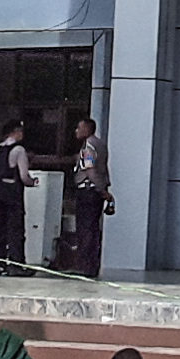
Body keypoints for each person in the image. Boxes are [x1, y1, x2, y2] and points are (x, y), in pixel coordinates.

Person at [0, 117, 36, 274]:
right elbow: (23, 175)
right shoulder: (18, 150)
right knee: (15, 228)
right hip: (12, 191)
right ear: (15, 132)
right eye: (20, 131)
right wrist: (32, 182)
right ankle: (15, 264)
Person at [66, 116, 110, 279]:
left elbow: (90, 169)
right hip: (95, 192)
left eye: (79, 127)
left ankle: (84, 265)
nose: (76, 131)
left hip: (88, 191)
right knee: (92, 229)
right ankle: (91, 264)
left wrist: (101, 189)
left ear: (87, 129)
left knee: (85, 229)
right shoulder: (100, 144)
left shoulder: (88, 147)